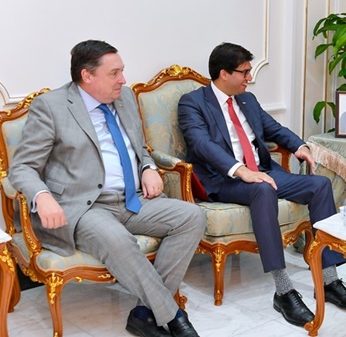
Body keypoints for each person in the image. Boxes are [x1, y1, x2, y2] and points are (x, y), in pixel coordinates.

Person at [9, 40, 206, 337]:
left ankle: (144, 312)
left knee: (192, 216)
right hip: (85, 206)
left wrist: (148, 167)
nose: (123, 80)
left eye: (122, 71)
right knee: (118, 240)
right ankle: (174, 317)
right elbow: (22, 167)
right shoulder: (52, 106)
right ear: (87, 76)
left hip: (132, 199)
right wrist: (42, 195)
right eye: (114, 73)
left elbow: (139, 146)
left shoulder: (125, 97)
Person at [177, 42, 346, 328]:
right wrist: (241, 171)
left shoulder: (247, 100)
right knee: (262, 189)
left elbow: (273, 128)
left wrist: (300, 145)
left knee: (319, 186)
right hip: (224, 179)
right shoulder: (192, 103)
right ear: (224, 73)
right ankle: (283, 290)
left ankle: (328, 281)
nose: (249, 78)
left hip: (262, 170)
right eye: (244, 72)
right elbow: (201, 145)